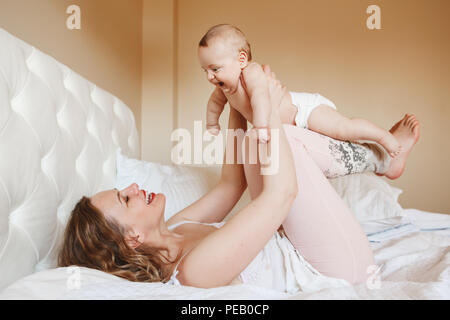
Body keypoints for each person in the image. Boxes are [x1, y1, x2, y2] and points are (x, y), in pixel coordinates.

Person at [58, 67, 420, 291]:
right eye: (125, 199)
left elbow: (232, 185)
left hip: (302, 244)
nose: (134, 188)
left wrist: (235, 104)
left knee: (252, 143)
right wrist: (261, 100)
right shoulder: (192, 271)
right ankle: (383, 159)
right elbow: (281, 195)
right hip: (337, 269)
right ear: (132, 239)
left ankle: (384, 158)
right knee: (285, 141)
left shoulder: (179, 226)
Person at [199, 23, 418, 161]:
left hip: (305, 111)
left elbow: (260, 98)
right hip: (292, 127)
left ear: (242, 60)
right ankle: (379, 159)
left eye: (215, 69)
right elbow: (214, 104)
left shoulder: (252, 72)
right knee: (334, 148)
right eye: (205, 70)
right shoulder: (224, 88)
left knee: (344, 129)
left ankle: (384, 137)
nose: (210, 76)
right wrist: (212, 123)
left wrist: (260, 126)